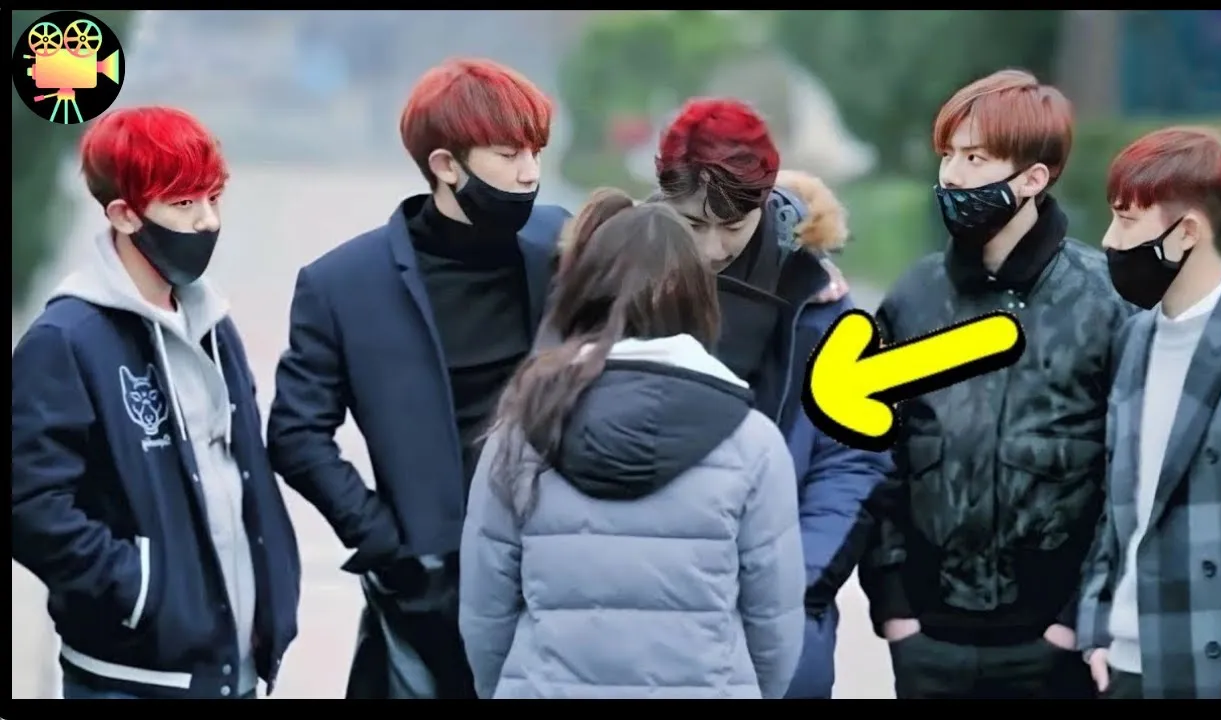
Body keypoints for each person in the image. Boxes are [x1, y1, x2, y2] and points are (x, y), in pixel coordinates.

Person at [267, 58, 570, 699]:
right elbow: (295, 434)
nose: (530, 173)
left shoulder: (563, 245)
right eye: (509, 154)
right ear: (445, 165)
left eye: (537, 152)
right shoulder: (343, 284)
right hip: (429, 592)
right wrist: (387, 544)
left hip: (555, 573)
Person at [459, 189, 806, 699]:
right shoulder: (752, 442)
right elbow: (774, 622)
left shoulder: (524, 427)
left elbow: (485, 611)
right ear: (701, 299)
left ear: (585, 292)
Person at [856, 69, 1134, 699]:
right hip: (928, 642)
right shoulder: (914, 297)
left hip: (1055, 646)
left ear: (1033, 179)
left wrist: (1074, 619)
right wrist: (895, 608)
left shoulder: (1105, 300)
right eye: (948, 155)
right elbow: (875, 456)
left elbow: (1129, 473)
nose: (952, 176)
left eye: (975, 158)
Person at [11, 106, 301, 699]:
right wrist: (142, 591)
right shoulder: (66, 340)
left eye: (213, 199)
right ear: (124, 214)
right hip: (130, 680)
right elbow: (30, 505)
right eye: (184, 203)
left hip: (234, 674)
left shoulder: (212, 323)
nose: (207, 221)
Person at [652, 97, 892, 699]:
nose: (713, 248)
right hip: (652, 616)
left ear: (763, 201)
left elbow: (851, 461)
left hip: (781, 623)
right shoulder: (627, 281)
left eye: (732, 226)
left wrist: (793, 588)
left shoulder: (821, 303)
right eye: (693, 225)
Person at [1077, 127, 1221, 700]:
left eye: (1127, 220)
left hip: (1216, 664)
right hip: (1121, 662)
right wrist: (1096, 625)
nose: (1109, 240)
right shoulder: (1136, 336)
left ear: (1187, 232)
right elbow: (1118, 502)